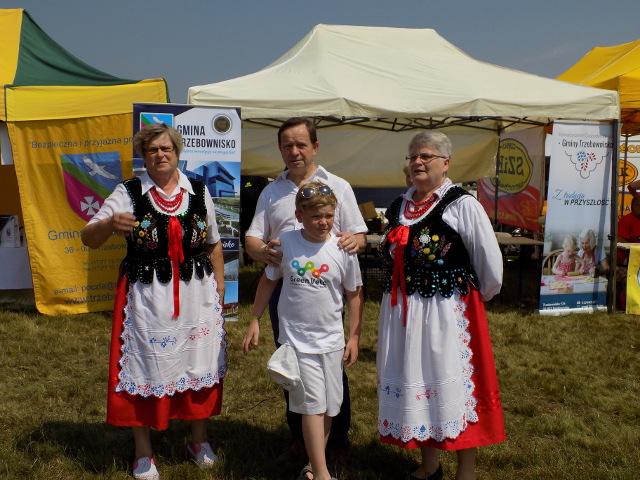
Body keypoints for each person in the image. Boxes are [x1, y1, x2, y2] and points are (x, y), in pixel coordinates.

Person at [81, 124, 226, 480]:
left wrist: (220, 287)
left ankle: (198, 440)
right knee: (144, 366)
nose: (160, 155)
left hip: (195, 293)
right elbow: (89, 237)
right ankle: (143, 452)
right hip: (147, 296)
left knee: (198, 362)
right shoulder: (128, 192)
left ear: (177, 152)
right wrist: (110, 223)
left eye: (166, 148)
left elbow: (213, 242)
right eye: (152, 150)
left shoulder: (198, 190)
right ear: (143, 157)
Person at [377, 132, 505, 480]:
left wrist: (479, 296)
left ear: (446, 163)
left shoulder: (461, 204)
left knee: (453, 386)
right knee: (418, 380)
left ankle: (467, 471)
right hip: (404, 313)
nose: (417, 162)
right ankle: (430, 464)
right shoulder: (399, 206)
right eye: (413, 156)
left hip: (446, 311)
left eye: (426, 156)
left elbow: (489, 262)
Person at [244, 117, 367, 460]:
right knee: (292, 368)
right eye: (288, 146)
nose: (294, 151)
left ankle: (336, 442)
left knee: (332, 365)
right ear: (280, 149)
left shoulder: (338, 186)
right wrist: (264, 252)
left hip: (327, 290)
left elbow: (359, 235)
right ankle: (300, 440)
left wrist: (355, 241)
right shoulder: (271, 191)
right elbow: (252, 239)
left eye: (301, 144)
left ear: (315, 146)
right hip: (285, 287)